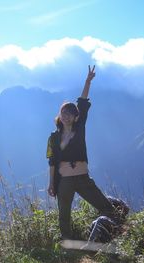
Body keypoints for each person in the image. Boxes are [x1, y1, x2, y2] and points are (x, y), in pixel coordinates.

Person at [46, 65, 117, 240]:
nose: (66, 116)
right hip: (65, 181)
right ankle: (69, 245)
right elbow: (52, 162)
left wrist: (87, 82)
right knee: (64, 216)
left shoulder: (79, 129)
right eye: (63, 113)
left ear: (76, 116)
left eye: (70, 113)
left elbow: (82, 104)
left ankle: (104, 234)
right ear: (59, 115)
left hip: (83, 178)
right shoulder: (53, 138)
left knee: (106, 207)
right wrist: (51, 183)